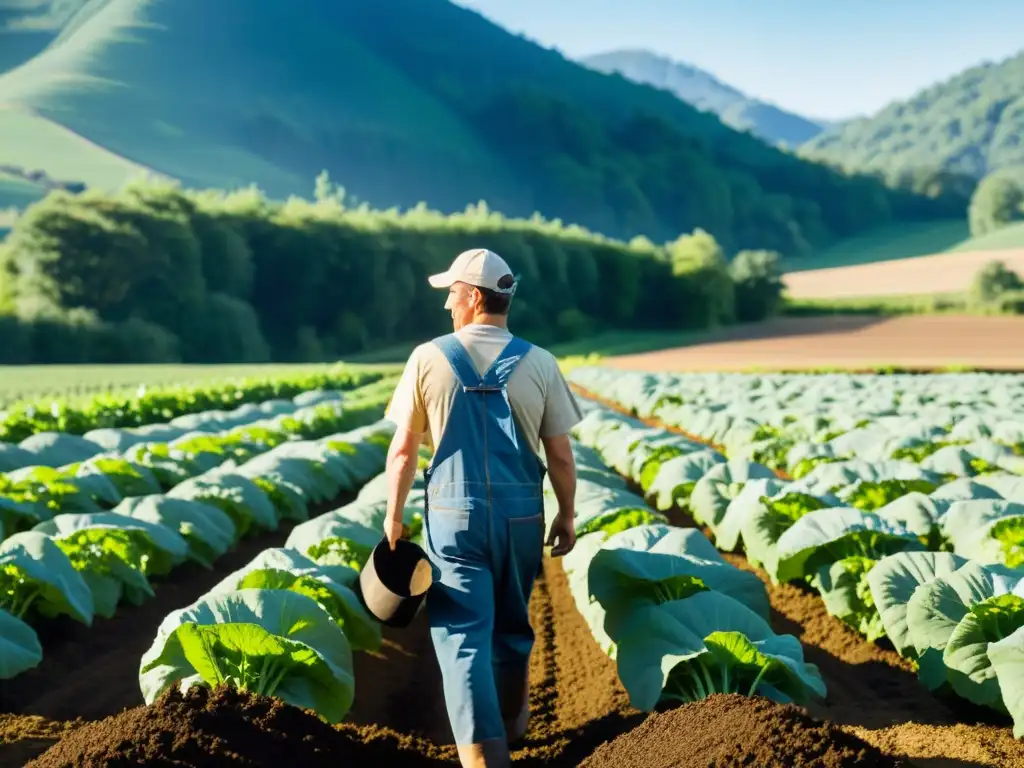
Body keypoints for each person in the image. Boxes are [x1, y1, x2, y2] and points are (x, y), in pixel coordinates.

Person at [383, 248, 582, 768]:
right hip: (521, 518)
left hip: (453, 517)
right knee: (514, 625)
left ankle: (484, 759)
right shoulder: (539, 362)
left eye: (452, 292)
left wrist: (394, 514)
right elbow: (559, 455)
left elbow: (404, 450)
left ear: (473, 297)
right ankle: (515, 726)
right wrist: (567, 513)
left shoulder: (428, 357)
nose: (448, 303)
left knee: (462, 635)